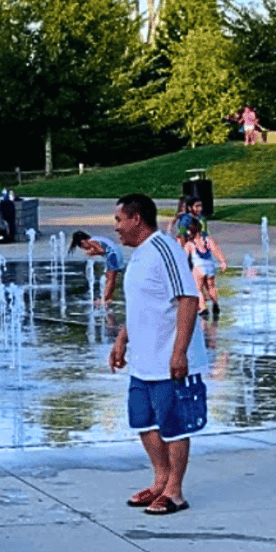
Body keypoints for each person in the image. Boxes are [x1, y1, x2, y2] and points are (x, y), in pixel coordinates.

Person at [109, 193, 208, 516]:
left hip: (169, 358)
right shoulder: (139, 255)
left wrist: (179, 353)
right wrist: (122, 339)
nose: (117, 228)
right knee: (143, 420)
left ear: (136, 219)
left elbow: (188, 299)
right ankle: (160, 480)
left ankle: (175, 492)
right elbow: (142, 305)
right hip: (144, 360)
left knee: (174, 425)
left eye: (119, 220)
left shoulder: (165, 249)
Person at [183, 218, 227, 316]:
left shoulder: (190, 244)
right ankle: (215, 304)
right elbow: (216, 251)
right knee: (211, 287)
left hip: (199, 268)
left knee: (198, 289)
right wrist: (223, 262)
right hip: (210, 267)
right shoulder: (208, 240)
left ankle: (203, 309)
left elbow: (183, 258)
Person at [69, 230, 125, 306]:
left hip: (112, 255)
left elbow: (101, 250)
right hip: (115, 254)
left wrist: (92, 253)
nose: (85, 249)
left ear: (83, 241)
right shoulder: (95, 239)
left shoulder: (92, 241)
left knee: (110, 279)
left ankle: (105, 300)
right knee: (110, 278)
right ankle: (107, 298)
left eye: (82, 246)